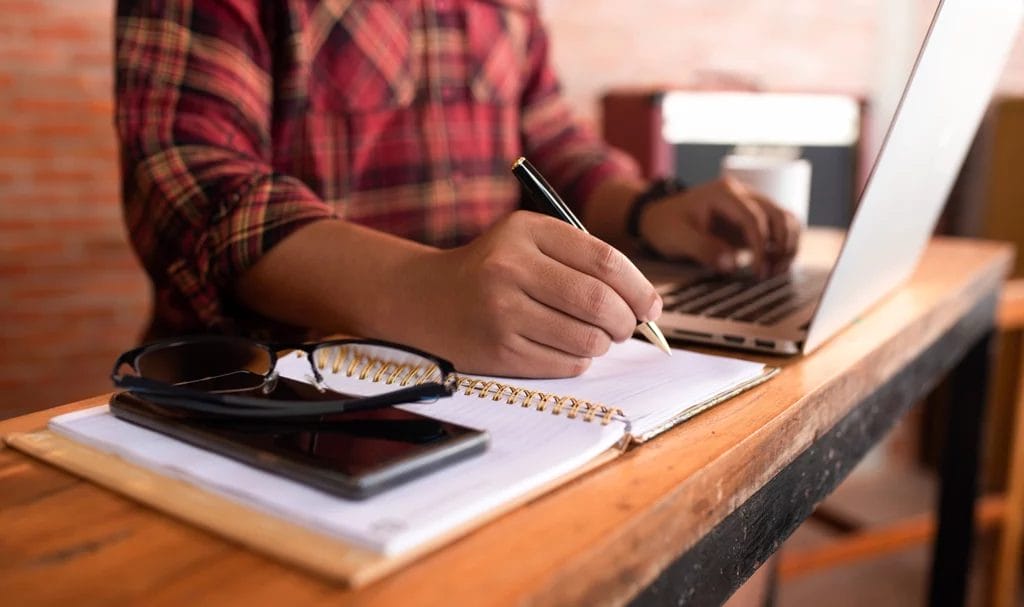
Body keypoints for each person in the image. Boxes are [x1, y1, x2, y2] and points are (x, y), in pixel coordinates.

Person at [115, 0, 800, 379]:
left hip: (494, 387)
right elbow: (189, 185)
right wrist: (420, 287)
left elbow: (552, 141)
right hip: (264, 390)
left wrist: (651, 207)